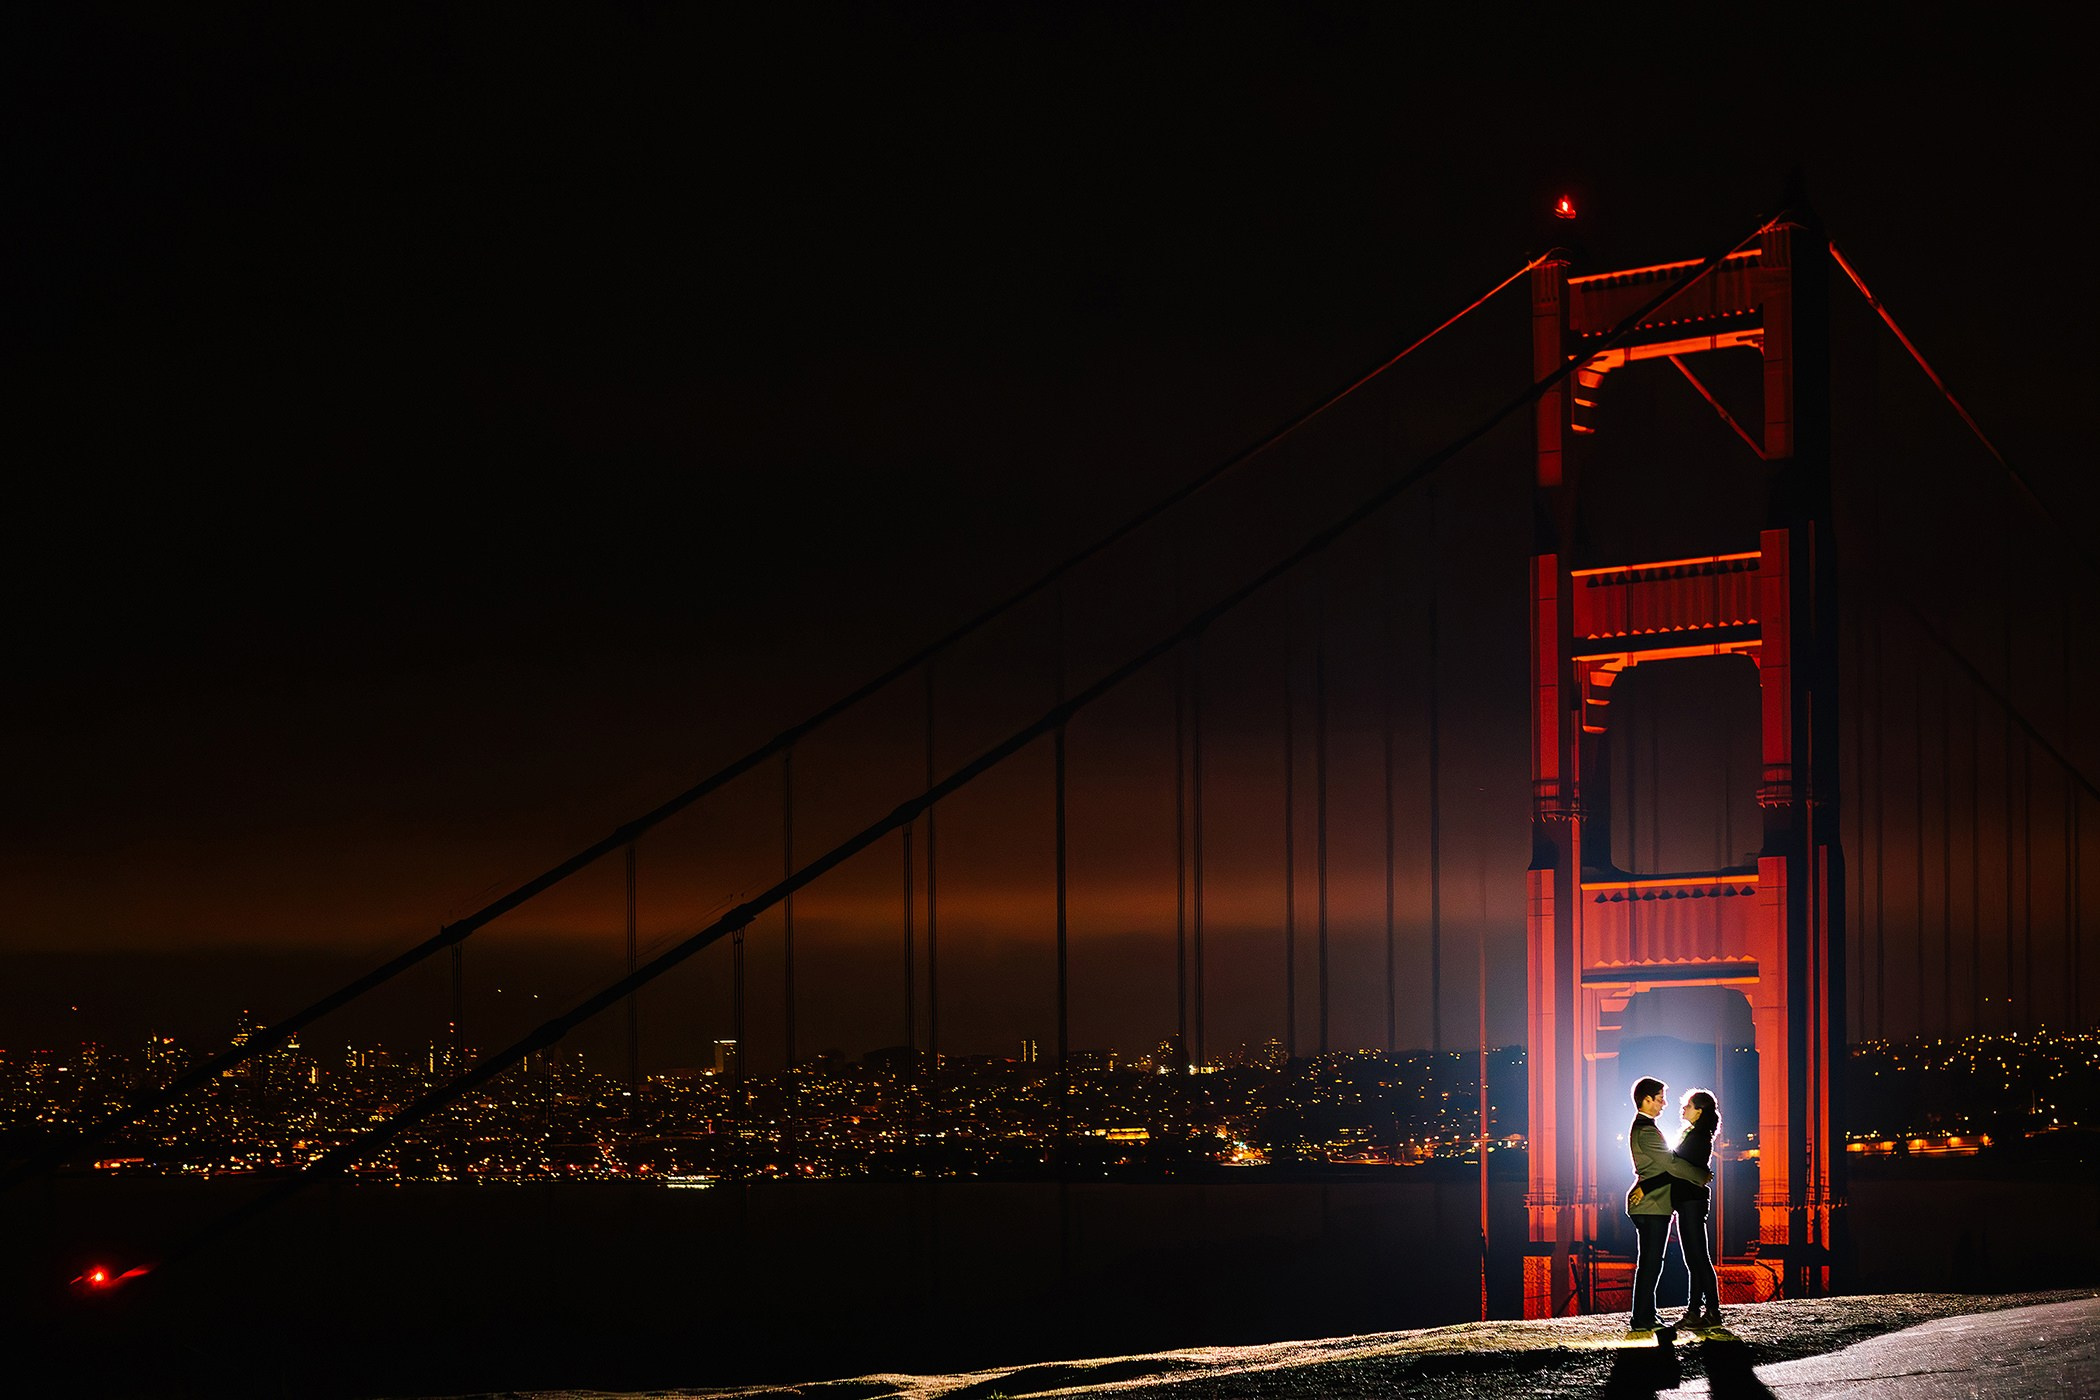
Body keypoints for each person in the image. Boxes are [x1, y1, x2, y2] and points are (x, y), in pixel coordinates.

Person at [1625, 1076, 1712, 1332]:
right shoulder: (1647, 1130)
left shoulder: (1644, 1128)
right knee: (1652, 1262)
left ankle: (1645, 1315)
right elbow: (1671, 1165)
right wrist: (1700, 1175)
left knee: (1651, 1262)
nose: (1664, 1104)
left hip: (1652, 1203)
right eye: (1660, 1099)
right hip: (1652, 1206)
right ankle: (1643, 1318)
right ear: (1647, 1099)